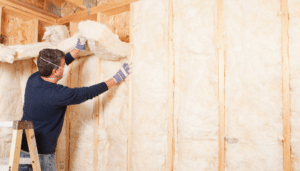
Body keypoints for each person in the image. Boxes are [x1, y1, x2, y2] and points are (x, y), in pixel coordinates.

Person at [18, 37, 131, 171]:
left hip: (22, 146)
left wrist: (77, 49)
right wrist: (116, 79)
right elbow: (88, 92)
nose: (64, 65)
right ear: (55, 72)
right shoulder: (59, 94)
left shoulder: (34, 78)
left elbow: (55, 65)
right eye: (62, 65)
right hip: (42, 153)